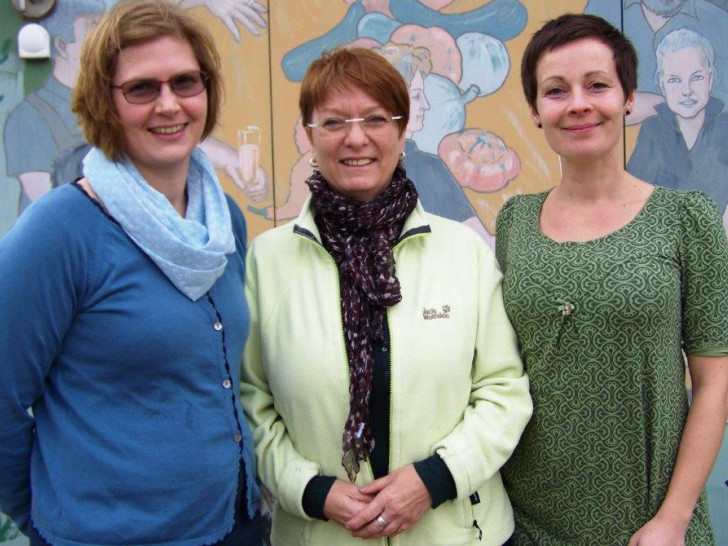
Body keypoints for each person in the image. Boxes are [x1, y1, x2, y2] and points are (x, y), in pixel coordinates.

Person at [241, 47, 532, 546]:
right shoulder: (266, 261)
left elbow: (504, 390)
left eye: (376, 119)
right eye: (334, 122)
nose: (356, 137)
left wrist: (435, 480)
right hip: (322, 532)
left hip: (458, 532)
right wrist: (310, 490)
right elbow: (252, 403)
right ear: (310, 135)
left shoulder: (465, 252)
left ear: (402, 131)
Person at [0, 1, 262, 544]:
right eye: (142, 89)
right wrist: (45, 518)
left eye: (185, 82)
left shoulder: (222, 220)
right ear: (106, 102)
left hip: (230, 523)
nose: (169, 104)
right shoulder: (60, 231)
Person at [496, 13, 728, 545]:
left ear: (628, 98)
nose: (578, 103)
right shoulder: (514, 222)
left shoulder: (685, 219)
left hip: (649, 524)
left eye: (597, 85)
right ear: (535, 110)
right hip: (526, 521)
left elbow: (715, 383)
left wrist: (673, 519)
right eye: (556, 90)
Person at [377, 42, 494, 246]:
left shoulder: (351, 172)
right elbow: (480, 244)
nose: (426, 104)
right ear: (391, 102)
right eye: (416, 95)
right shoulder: (427, 169)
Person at [627, 27, 728, 214]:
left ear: (710, 79)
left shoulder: (725, 129)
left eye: (696, 77)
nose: (686, 90)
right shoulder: (653, 130)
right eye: (675, 80)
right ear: (662, 84)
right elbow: (631, 199)